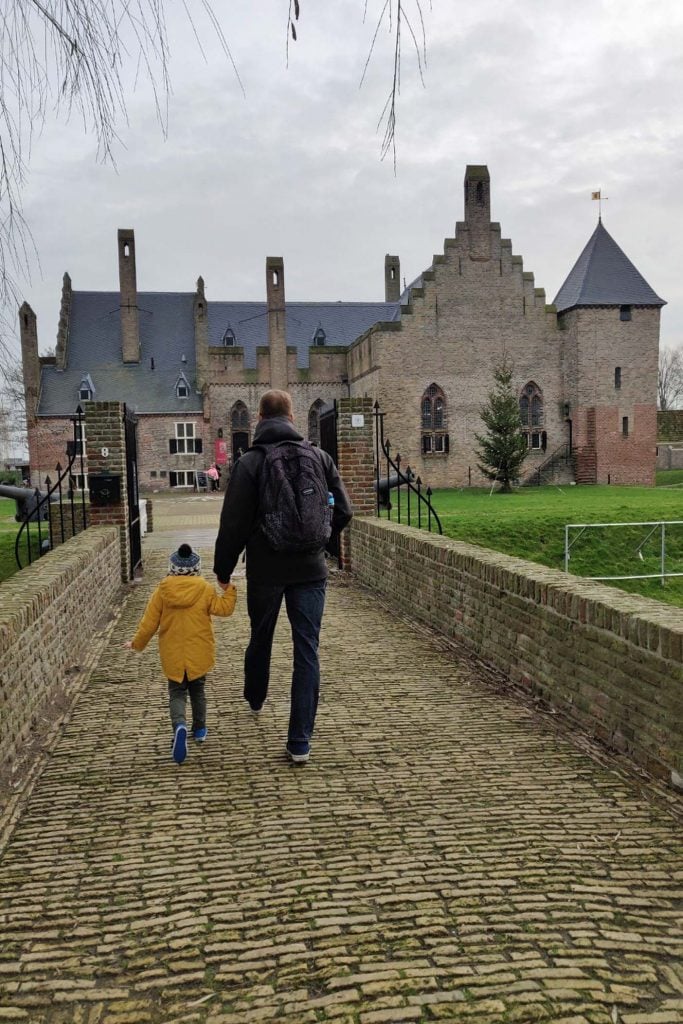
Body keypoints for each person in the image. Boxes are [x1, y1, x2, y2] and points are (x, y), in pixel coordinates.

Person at [213, 389, 352, 765]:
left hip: (266, 570)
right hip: (310, 570)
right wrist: (323, 543)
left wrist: (223, 572)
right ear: (292, 417)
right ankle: (299, 742)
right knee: (307, 650)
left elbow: (233, 526)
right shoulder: (320, 458)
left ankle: (256, 695)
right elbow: (344, 511)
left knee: (261, 636)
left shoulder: (250, 464)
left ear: (259, 418)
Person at [125, 543, 237, 764]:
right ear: (197, 568)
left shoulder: (162, 591)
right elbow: (224, 609)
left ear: (172, 567)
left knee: (177, 693)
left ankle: (180, 726)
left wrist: (136, 644)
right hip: (199, 651)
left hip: (173, 652)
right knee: (198, 691)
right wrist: (230, 589)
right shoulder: (204, 589)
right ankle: (200, 729)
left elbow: (149, 624)